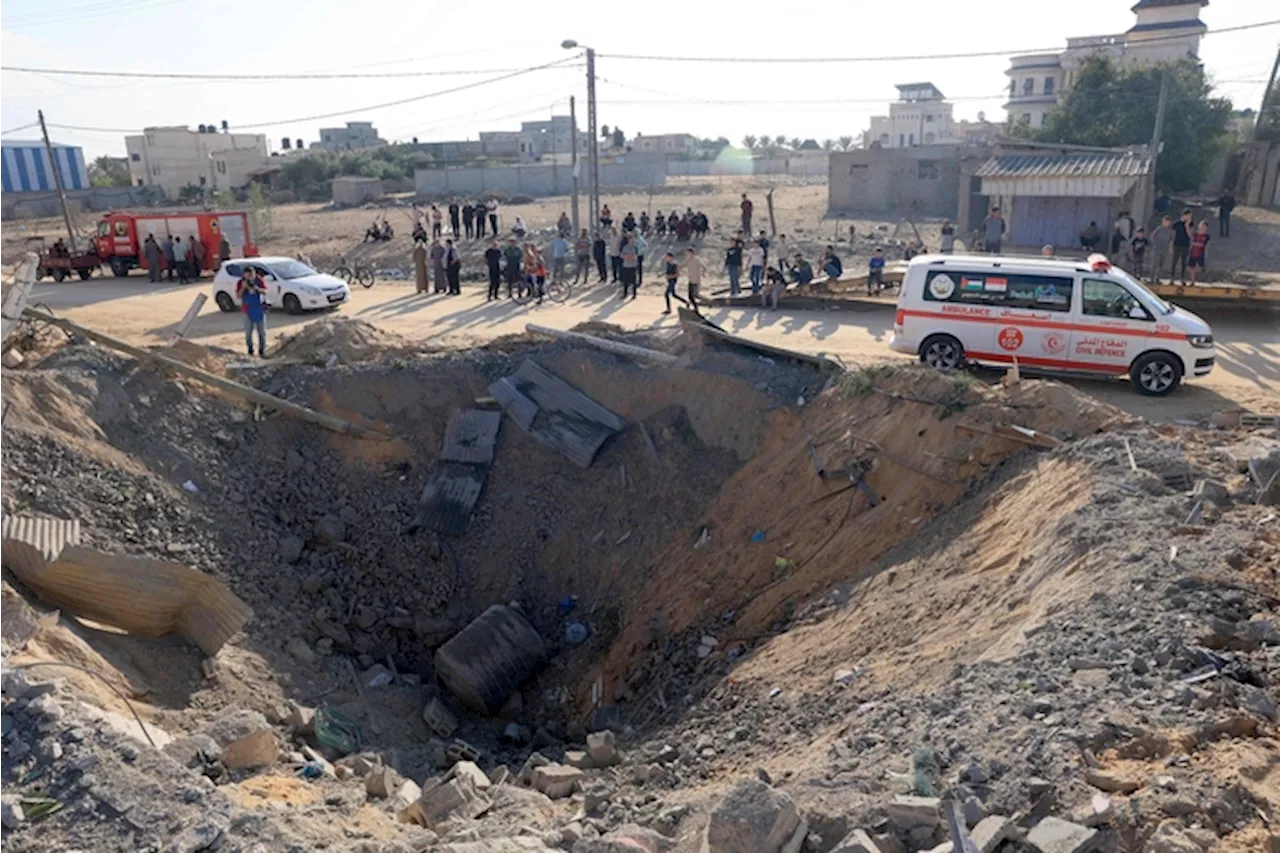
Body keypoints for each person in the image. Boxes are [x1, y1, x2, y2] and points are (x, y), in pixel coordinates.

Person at [236, 265, 268, 357]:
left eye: (252, 274)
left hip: (259, 308)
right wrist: (243, 287)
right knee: (248, 332)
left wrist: (256, 288)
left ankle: (262, 350)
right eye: (248, 275)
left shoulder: (259, 280)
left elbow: (265, 291)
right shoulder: (240, 282)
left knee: (262, 331)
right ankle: (250, 349)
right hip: (247, 309)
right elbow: (238, 296)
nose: (250, 277)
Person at [1150, 215, 1174, 283]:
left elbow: (1171, 240)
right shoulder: (1159, 228)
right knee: (1155, 263)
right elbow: (1152, 237)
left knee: (1162, 264)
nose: (1166, 223)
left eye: (1168, 222)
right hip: (1157, 247)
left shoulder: (1170, 230)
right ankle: (1152, 278)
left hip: (1165, 248)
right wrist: (1155, 243)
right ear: (1162, 222)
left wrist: (1170, 248)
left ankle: (1158, 278)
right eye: (1165, 221)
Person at [1172, 209, 1193, 284]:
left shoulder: (1190, 224)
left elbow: (1190, 235)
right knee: (1174, 261)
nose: (1190, 217)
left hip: (1185, 245)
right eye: (1189, 216)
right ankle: (1172, 278)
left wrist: (1187, 226)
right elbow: (1173, 236)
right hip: (1176, 244)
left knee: (1184, 262)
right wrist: (1171, 246)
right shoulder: (1176, 224)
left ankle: (1182, 278)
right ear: (1184, 215)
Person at [1189, 220, 1211, 284]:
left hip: (1200, 254)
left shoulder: (1207, 236)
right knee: (1191, 267)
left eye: (1205, 227)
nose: (1203, 228)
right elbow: (1190, 241)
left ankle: (1205, 278)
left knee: (1202, 268)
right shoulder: (1194, 234)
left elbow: (1207, 246)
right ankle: (1193, 281)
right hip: (1193, 253)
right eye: (1202, 226)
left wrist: (1206, 254)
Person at [619, 235, 640, 299]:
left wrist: (628, 257)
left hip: (633, 266)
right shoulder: (625, 247)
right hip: (626, 265)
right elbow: (621, 255)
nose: (631, 241)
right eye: (630, 239)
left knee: (634, 281)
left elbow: (635, 257)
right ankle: (625, 294)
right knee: (625, 281)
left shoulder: (635, 247)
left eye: (632, 239)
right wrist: (628, 257)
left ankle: (634, 294)